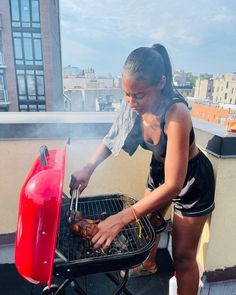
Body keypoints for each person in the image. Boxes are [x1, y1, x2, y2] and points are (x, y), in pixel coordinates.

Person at [69, 44, 215, 295]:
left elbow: (174, 184)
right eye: (126, 94)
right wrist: (88, 168)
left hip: (192, 181)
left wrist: (121, 217)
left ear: (161, 82)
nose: (131, 102)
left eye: (138, 95)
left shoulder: (176, 114)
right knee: (146, 224)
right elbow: (111, 138)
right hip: (160, 171)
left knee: (183, 256)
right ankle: (148, 264)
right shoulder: (132, 106)